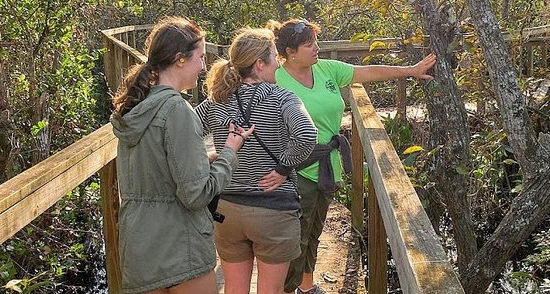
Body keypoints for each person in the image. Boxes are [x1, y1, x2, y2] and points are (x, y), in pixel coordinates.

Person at [270, 19, 437, 294]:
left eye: (316, 41)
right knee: (294, 238)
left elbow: (369, 71)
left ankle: (306, 286)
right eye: (309, 44)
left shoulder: (326, 69)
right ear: (289, 51)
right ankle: (285, 289)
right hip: (294, 170)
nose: (316, 48)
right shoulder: (275, 77)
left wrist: (409, 70)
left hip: (327, 166)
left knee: (313, 232)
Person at [110, 16, 254, 294]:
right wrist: (229, 152)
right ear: (179, 59)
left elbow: (157, 170)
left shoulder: (135, 108)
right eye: (200, 58)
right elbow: (196, 194)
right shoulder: (177, 110)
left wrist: (201, 161)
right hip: (180, 248)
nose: (203, 67)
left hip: (139, 246)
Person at [195, 27, 318, 294]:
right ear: (260, 65)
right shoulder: (281, 97)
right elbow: (307, 134)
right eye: (274, 57)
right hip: (272, 210)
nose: (279, 63)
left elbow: (184, 130)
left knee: (234, 290)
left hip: (228, 210)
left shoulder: (218, 99)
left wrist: (209, 159)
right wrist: (284, 168)